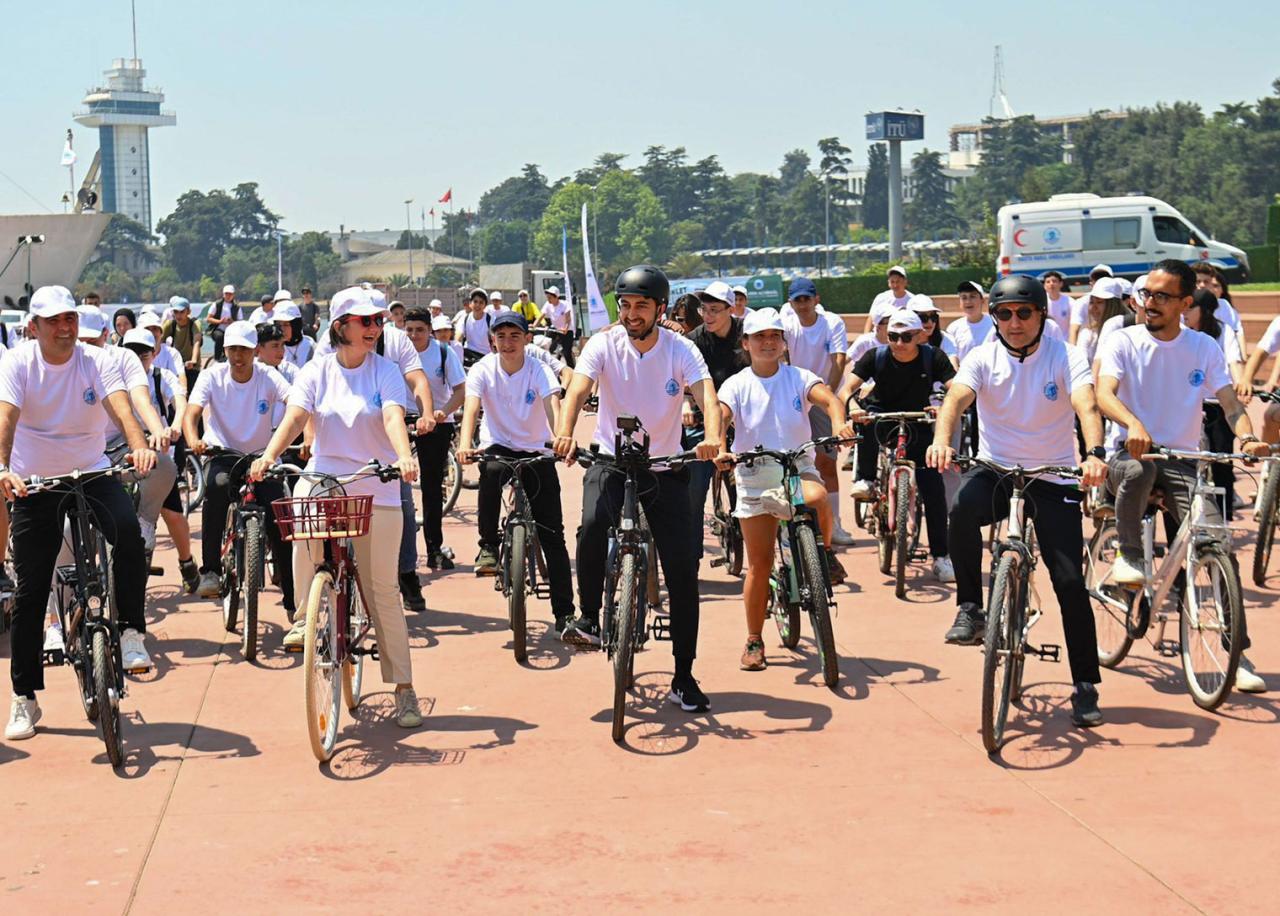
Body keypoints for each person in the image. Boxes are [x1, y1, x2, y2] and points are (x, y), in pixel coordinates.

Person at [926, 274, 1109, 727]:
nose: (1014, 322)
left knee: (1069, 582)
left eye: (1024, 313)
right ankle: (971, 608)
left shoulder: (1065, 356)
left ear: (1041, 315)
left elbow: (1086, 405)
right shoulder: (982, 357)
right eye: (1004, 314)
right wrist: (942, 440)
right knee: (960, 510)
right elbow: (955, 400)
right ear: (994, 318)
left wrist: (1094, 454)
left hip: (1053, 476)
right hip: (997, 469)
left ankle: (1085, 684)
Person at [249, 287, 424, 728]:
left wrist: (404, 457)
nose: (374, 328)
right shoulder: (317, 370)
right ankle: (304, 616)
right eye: (365, 321)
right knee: (300, 511)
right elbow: (295, 416)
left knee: (382, 590)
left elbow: (393, 417)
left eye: (378, 321)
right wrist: (269, 455)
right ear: (341, 326)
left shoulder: (385, 371)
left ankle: (404, 688)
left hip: (377, 483)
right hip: (326, 476)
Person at [552, 264, 721, 712]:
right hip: (611, 461)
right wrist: (565, 432)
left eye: (641, 306)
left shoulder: (680, 349)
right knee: (591, 526)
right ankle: (589, 618)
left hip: (665, 467)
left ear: (660, 308)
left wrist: (713, 437)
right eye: (625, 305)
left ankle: (683, 675)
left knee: (682, 571)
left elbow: (706, 394)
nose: (631, 314)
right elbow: (577, 391)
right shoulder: (603, 344)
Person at [1096, 259, 1269, 693]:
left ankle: (1235, 652)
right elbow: (1103, 393)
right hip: (1130, 455)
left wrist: (1247, 437)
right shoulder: (1123, 340)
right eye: (1147, 294)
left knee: (1218, 545)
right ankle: (1129, 558)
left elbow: (1230, 403)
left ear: (1185, 302)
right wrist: (1132, 425)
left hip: (1183, 460)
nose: (1150, 303)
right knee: (1139, 468)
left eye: (1162, 296)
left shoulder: (1203, 347)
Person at [0, 286, 157, 740]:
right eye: (53, 321)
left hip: (91, 471)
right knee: (31, 590)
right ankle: (25, 698)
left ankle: (130, 632)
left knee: (128, 533)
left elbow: (121, 408)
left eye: (69, 318)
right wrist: (4, 468)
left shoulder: (96, 360)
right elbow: (6, 418)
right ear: (34, 327)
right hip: (36, 480)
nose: (64, 328)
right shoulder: (18, 363)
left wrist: (139, 445)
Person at [717, 308, 853, 669]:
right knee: (759, 565)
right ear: (746, 343)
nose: (768, 342)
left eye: (774, 336)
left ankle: (824, 554)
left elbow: (829, 400)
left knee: (818, 497)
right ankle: (754, 640)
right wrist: (719, 446)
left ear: (784, 343)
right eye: (759, 337)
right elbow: (722, 416)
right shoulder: (736, 384)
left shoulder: (799, 377)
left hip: (797, 467)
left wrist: (839, 424)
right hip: (754, 473)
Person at [458, 313, 576, 628]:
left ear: (526, 339)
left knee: (553, 535)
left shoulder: (539, 370)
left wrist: (562, 439)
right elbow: (471, 409)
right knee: (490, 471)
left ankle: (564, 614)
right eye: (501, 336)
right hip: (498, 445)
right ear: (492, 341)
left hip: (537, 449)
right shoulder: (482, 369)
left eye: (514, 336)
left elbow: (553, 408)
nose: (508, 343)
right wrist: (465, 444)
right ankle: (488, 546)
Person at [183, 321, 296, 627]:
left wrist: (306, 435)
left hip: (262, 457)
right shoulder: (212, 376)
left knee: (279, 516)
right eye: (232, 350)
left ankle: (292, 599)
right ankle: (210, 570)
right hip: (223, 454)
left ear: (255, 351)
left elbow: (295, 403)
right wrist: (194, 439)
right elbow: (191, 413)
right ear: (225, 351)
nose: (238, 356)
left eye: (244, 350)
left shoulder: (268, 376)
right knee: (216, 488)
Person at [841, 308, 954, 580]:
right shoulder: (875, 356)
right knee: (867, 422)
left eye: (906, 337)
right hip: (881, 417)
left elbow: (957, 388)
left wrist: (944, 406)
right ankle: (867, 479)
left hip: (918, 420)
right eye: (893, 336)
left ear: (920, 335)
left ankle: (941, 557)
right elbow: (846, 389)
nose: (899, 343)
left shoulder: (934, 357)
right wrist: (853, 406)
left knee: (934, 489)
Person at [121, 328, 200, 592]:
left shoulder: (161, 376)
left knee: (172, 514)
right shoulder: (114, 376)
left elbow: (180, 401)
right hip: (123, 449)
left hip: (158, 450)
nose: (136, 359)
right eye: (130, 352)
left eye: (143, 354)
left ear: (154, 354)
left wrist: (175, 427)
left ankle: (186, 562)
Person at [782, 278, 855, 546]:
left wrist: (828, 396)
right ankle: (791, 521)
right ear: (791, 302)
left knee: (826, 463)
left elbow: (839, 359)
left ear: (816, 299)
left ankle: (834, 524)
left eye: (806, 299)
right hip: (793, 399)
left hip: (823, 396)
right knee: (790, 461)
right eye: (797, 300)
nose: (802, 304)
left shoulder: (832, 322)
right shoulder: (786, 323)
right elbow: (782, 358)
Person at [682, 280, 746, 564]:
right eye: (704, 309)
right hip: (703, 421)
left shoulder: (747, 336)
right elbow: (679, 378)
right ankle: (691, 559)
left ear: (731, 309)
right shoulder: (693, 341)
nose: (707, 316)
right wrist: (685, 404)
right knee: (693, 490)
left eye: (714, 310)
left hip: (743, 420)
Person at [405, 306, 465, 569]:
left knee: (431, 488)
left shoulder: (443, 352)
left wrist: (443, 412)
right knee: (391, 486)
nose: (414, 335)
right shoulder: (396, 353)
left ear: (430, 330)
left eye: (419, 330)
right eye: (409, 330)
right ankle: (398, 553)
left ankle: (433, 549)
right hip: (401, 421)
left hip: (436, 424)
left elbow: (461, 390)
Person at [1184, 288, 1245, 519]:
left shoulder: (1224, 332)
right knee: (1185, 462)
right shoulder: (1181, 333)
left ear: (1205, 311)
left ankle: (1224, 516)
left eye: (1190, 307)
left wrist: (1241, 383)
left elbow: (1234, 362)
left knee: (1222, 461)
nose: (1184, 312)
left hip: (1217, 404)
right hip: (1189, 405)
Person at [161, 297, 203, 390]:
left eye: (182, 312)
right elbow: (159, 340)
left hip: (191, 366)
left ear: (188, 312)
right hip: (176, 364)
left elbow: (196, 342)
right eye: (176, 312)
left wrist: (193, 361)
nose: (178, 315)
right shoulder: (170, 324)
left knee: (192, 393)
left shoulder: (195, 324)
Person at [1068, 264, 1113, 344]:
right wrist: (1072, 350)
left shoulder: (1117, 302)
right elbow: (1074, 330)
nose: (1099, 282)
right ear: (1091, 283)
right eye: (1096, 279)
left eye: (1103, 278)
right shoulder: (1081, 302)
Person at [909, 296, 958, 367]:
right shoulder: (900, 340)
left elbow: (953, 367)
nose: (930, 322)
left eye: (933, 317)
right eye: (923, 318)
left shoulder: (945, 339)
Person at [863, 265, 911, 333]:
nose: (895, 285)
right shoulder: (881, 297)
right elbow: (871, 318)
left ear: (905, 282)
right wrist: (866, 336)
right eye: (892, 282)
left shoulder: (912, 300)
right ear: (888, 282)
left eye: (898, 281)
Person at [455, 289, 494, 367]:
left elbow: (495, 340)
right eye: (475, 302)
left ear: (485, 305)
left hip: (486, 357)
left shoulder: (490, 320)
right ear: (470, 304)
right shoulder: (464, 318)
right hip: (468, 355)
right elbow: (458, 337)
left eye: (481, 302)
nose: (477, 305)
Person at [539, 285, 575, 368]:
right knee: (548, 348)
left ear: (556, 297)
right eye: (547, 297)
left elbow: (568, 319)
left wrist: (565, 328)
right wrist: (534, 325)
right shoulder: (547, 304)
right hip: (555, 329)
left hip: (567, 330)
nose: (548, 299)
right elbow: (541, 316)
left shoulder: (565, 304)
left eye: (550, 298)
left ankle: (572, 370)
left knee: (567, 353)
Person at [272, 301, 315, 368]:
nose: (282, 329)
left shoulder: (311, 347)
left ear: (295, 325)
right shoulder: (273, 348)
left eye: (286, 324)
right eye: (278, 325)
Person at [206, 284, 241, 361]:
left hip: (232, 332)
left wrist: (232, 322)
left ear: (233, 295)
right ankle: (217, 358)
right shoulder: (216, 304)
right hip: (217, 329)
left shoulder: (237, 307)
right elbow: (208, 319)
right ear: (223, 294)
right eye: (226, 294)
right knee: (220, 337)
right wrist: (220, 321)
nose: (228, 296)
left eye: (230, 294)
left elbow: (240, 323)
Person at [1041, 270, 1073, 336]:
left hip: (1065, 339)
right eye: (1048, 282)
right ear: (1044, 286)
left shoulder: (1070, 302)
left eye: (1054, 281)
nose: (1051, 284)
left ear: (1061, 284)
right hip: (1046, 338)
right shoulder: (1041, 302)